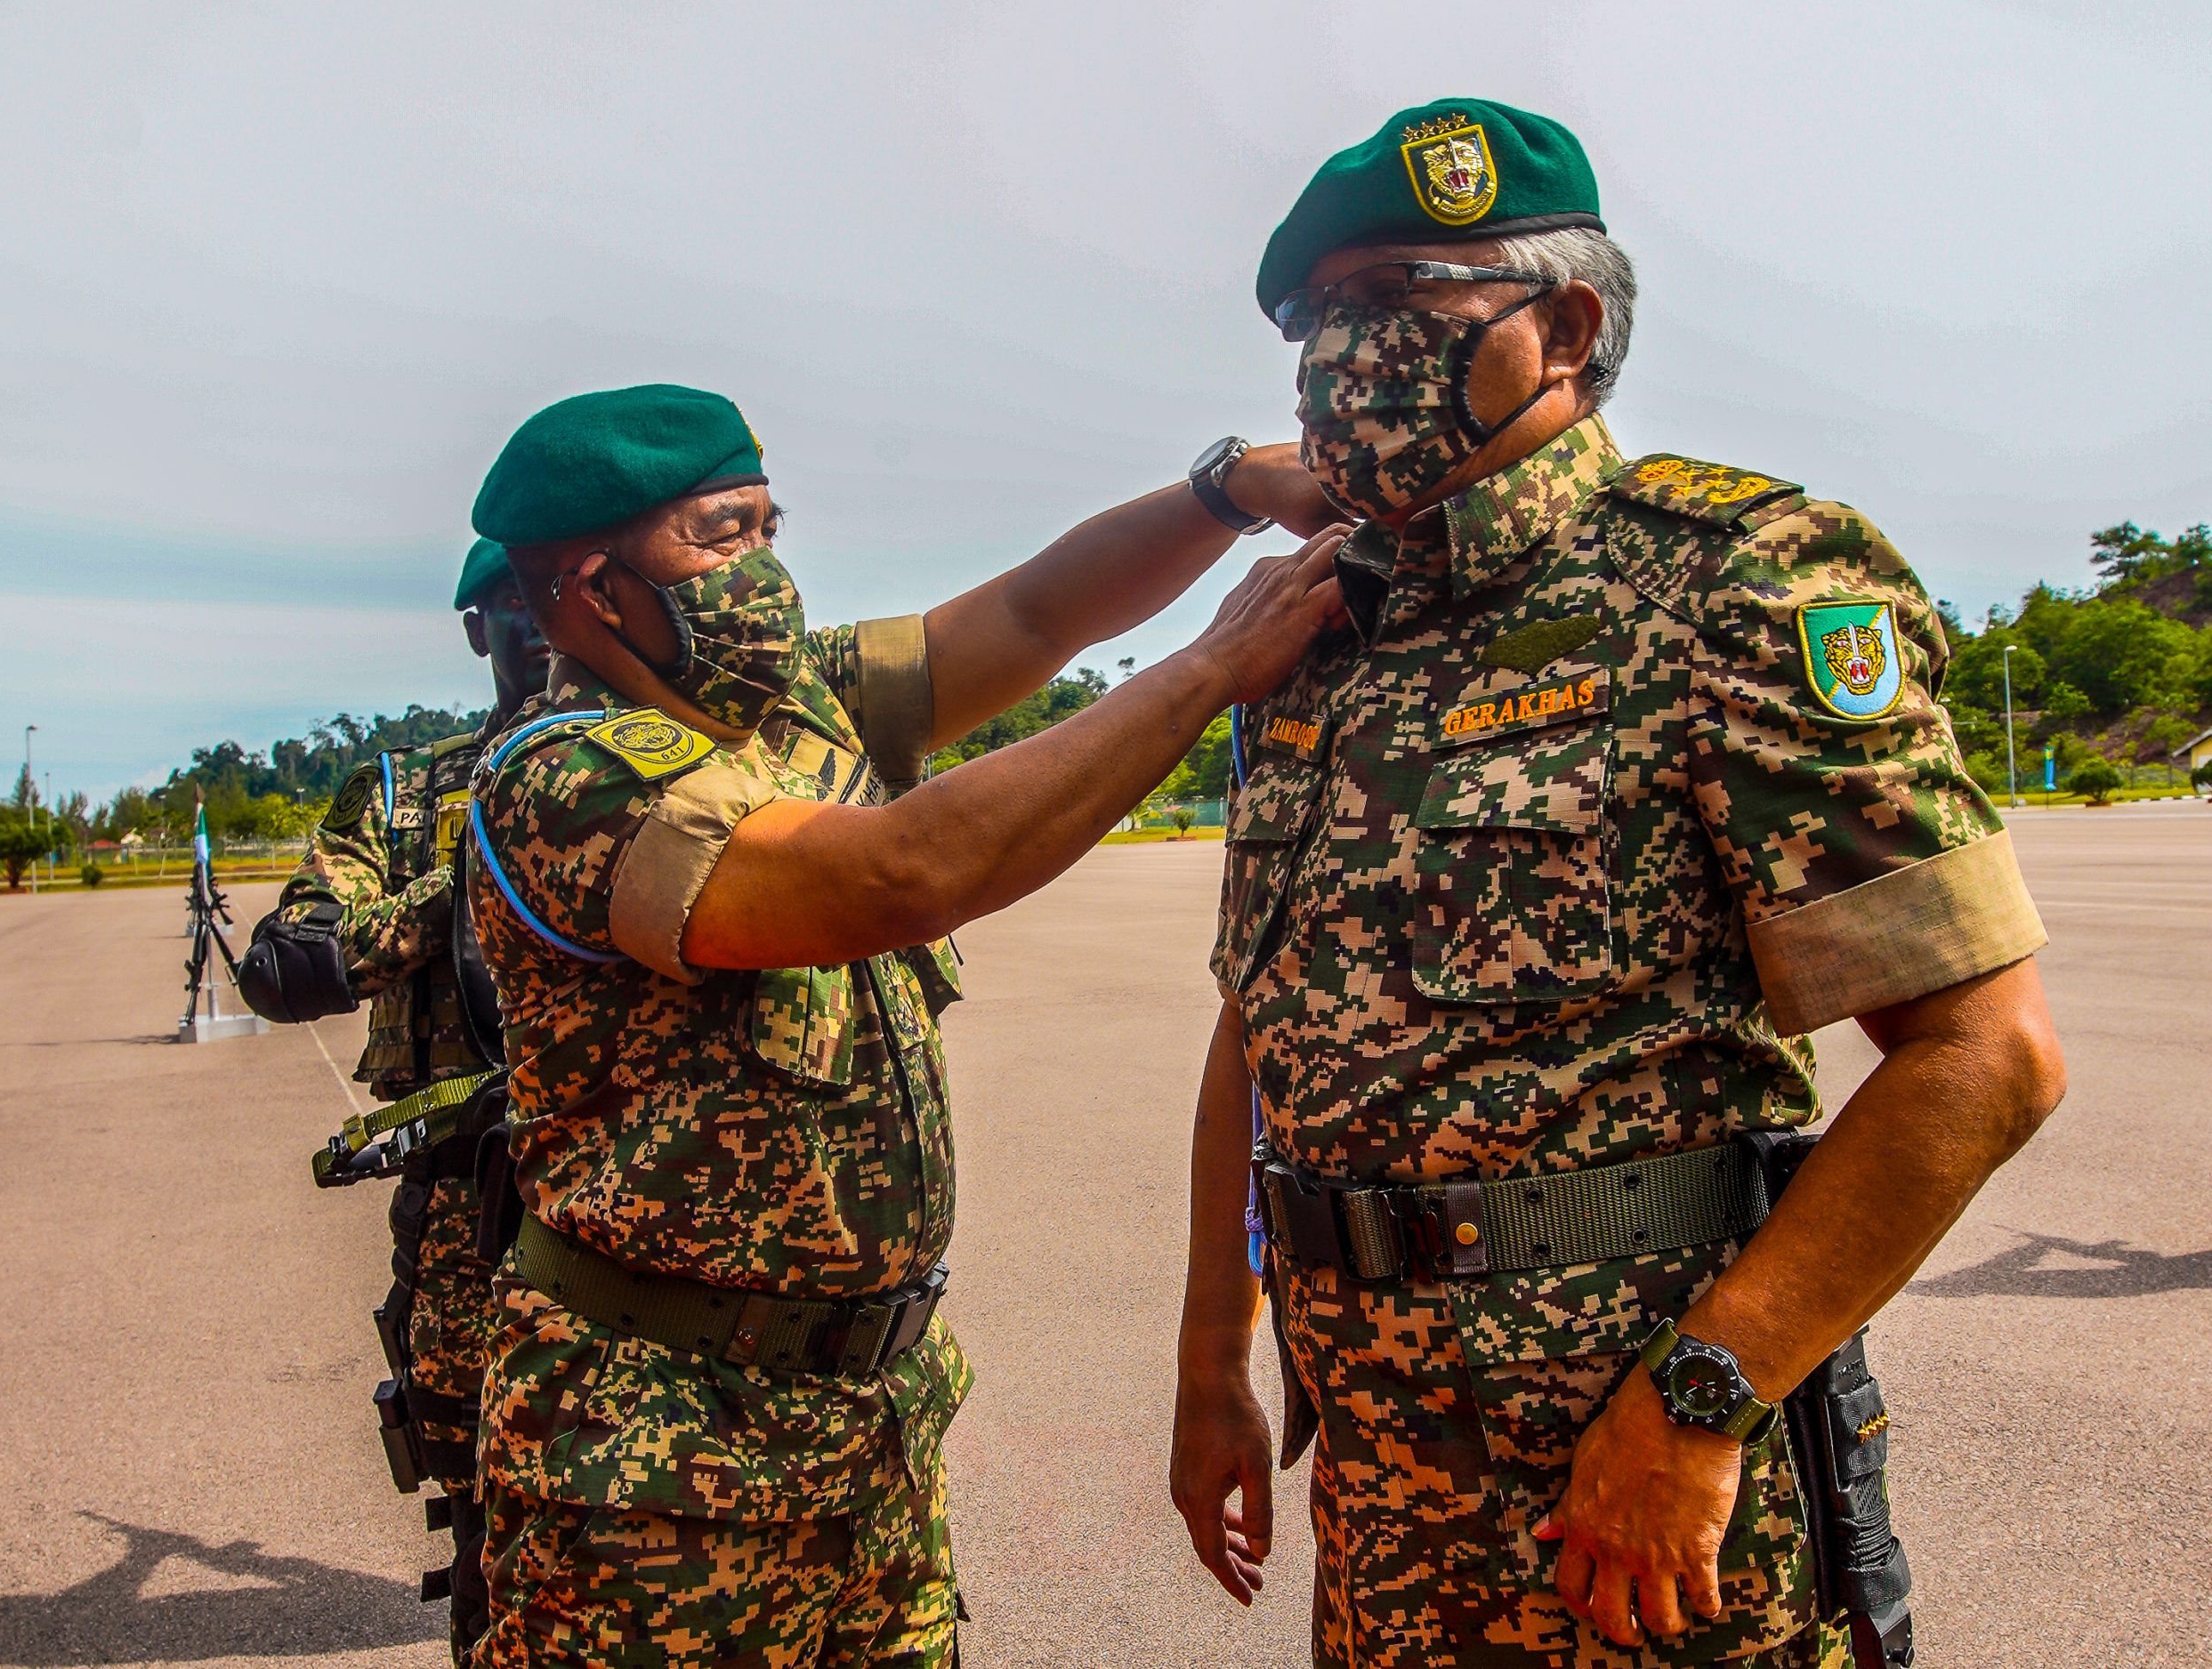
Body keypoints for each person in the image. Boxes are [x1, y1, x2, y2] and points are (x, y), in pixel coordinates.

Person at [1168, 99, 2069, 1669]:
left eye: (1393, 304)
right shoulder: (1314, 634)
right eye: (1315, 320)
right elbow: (1258, 1030)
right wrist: (1208, 1357)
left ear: (1566, 326)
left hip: (1623, 1481)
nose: (1334, 358)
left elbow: (1985, 1058)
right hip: (1379, 1484)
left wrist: (1703, 1401)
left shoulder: (1738, 579)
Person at [461, 383, 1341, 1666]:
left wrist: (1223, 494)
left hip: (863, 1422)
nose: (763, 570)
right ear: (589, 589)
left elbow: (1037, 612)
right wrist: (1210, 670)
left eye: (769, 526)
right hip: (655, 1454)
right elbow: (896, 875)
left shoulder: (797, 709)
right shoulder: (561, 777)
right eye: (719, 536)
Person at [240, 537, 550, 1665]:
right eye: (515, 600)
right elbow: (285, 969)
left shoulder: (668, 770)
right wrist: (480, 861)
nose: (545, 618)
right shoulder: (403, 793)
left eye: (565, 588)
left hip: (637, 1186)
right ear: (477, 628)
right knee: (477, 1480)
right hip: (468, 1194)